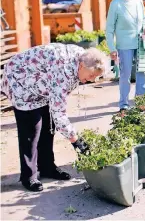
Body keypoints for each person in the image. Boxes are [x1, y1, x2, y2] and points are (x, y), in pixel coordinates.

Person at [0, 43, 107, 192]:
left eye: (95, 77)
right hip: (21, 80)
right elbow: (59, 113)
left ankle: (47, 168)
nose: (92, 80)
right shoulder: (63, 72)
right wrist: (76, 141)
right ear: (81, 66)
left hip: (42, 81)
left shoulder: (85, 57)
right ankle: (28, 176)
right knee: (32, 129)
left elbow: (56, 108)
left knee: (48, 125)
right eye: (91, 76)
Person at [106, 0, 145, 112]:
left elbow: (143, 19)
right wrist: (112, 48)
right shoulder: (115, 4)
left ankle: (142, 102)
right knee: (125, 76)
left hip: (140, 43)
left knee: (141, 73)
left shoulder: (138, 1)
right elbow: (109, 30)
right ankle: (123, 105)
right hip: (124, 45)